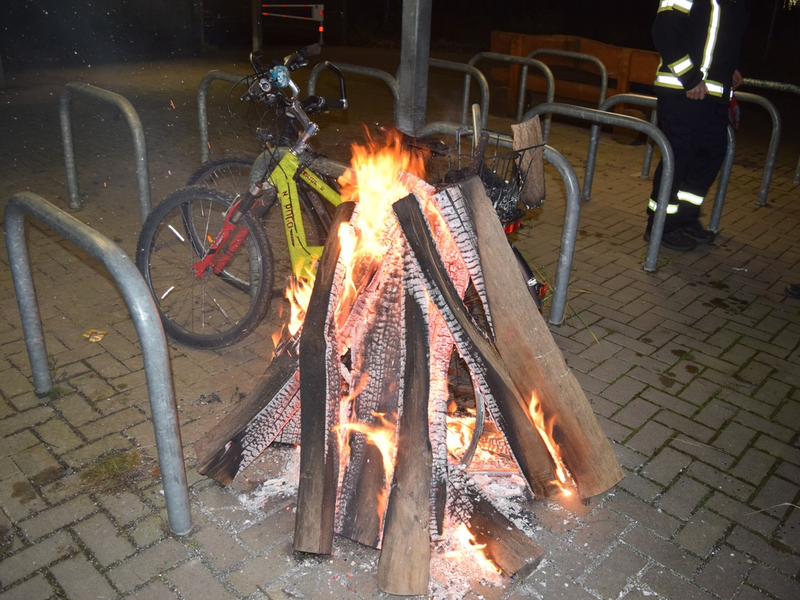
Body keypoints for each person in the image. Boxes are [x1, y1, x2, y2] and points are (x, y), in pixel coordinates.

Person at [645, 0, 749, 251]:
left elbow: (714, 34)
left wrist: (727, 69)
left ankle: (684, 218)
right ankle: (660, 225)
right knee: (679, 158)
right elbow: (664, 31)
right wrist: (690, 78)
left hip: (714, 93)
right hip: (684, 91)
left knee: (711, 154)